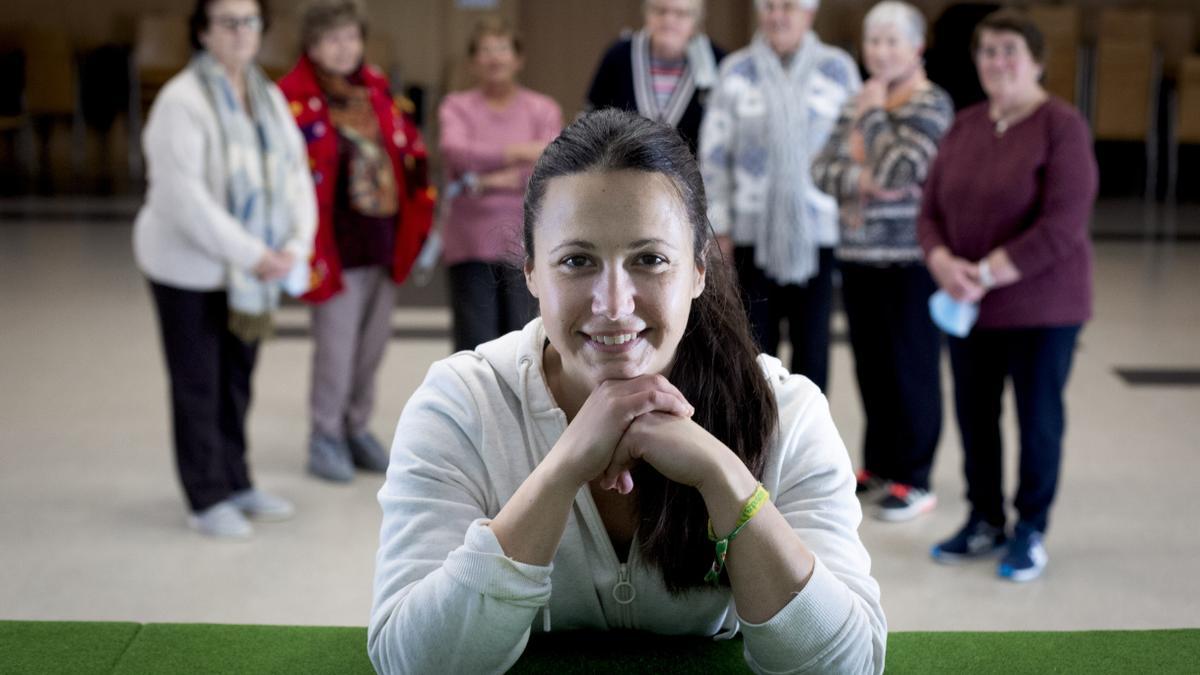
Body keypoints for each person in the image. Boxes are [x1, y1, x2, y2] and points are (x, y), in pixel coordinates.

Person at [369, 109, 885, 674]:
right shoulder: (461, 406)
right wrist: (560, 471)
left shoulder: (787, 411)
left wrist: (724, 476)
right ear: (532, 273)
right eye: (576, 261)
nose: (613, 304)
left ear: (698, 270)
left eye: (650, 260)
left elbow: (847, 665)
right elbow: (413, 662)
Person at [918, 10, 1098, 582]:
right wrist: (943, 261)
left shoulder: (1061, 126)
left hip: (1043, 308)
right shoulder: (966, 124)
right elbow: (930, 211)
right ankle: (984, 520)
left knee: (1037, 419)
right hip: (971, 307)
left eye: (1009, 50)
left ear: (1037, 60)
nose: (997, 61)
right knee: (975, 416)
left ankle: (1031, 529)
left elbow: (1063, 224)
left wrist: (988, 273)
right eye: (988, 51)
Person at [133, 0, 316, 537]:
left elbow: (296, 175)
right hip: (188, 269)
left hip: (252, 272)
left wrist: (295, 246)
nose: (241, 32)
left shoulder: (267, 94)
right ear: (203, 32)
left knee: (237, 381)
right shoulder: (180, 101)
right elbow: (183, 200)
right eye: (227, 22)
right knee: (198, 382)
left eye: (250, 21)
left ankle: (236, 480)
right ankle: (205, 496)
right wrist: (256, 256)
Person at [278, 0, 434, 483]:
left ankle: (355, 426)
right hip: (335, 246)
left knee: (371, 346)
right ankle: (324, 434)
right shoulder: (292, 98)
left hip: (382, 240)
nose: (343, 48)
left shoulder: (377, 90)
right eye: (331, 39)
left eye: (350, 37)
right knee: (336, 349)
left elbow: (409, 153)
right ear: (310, 45)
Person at [811, 1, 954, 522]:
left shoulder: (930, 104)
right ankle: (880, 464)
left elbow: (905, 167)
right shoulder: (857, 100)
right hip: (859, 254)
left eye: (893, 41)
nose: (881, 51)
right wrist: (866, 177)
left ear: (917, 48)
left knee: (910, 364)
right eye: (874, 41)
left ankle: (915, 477)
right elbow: (822, 169)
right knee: (871, 366)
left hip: (911, 258)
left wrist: (871, 122)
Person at [699, 0, 860, 392]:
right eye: (769, 6)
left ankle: (807, 445)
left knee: (813, 351)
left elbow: (856, 146)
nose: (777, 15)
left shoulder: (837, 68)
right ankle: (759, 442)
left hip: (817, 232)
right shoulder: (736, 70)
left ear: (809, 13)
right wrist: (719, 226)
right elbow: (714, 156)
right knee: (755, 350)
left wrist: (853, 202)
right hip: (751, 234)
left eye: (788, 6)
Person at [438, 17, 562, 353]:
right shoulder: (456, 107)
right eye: (486, 51)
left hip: (527, 242)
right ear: (473, 61)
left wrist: (488, 180)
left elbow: (551, 166)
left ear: (518, 59)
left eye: (503, 49)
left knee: (527, 344)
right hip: (471, 241)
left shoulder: (542, 108)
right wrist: (520, 151)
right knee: (475, 345)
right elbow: (456, 154)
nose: (495, 58)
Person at [584, 0, 724, 155]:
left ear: (697, 20)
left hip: (694, 175)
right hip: (621, 170)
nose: (668, 21)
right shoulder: (619, 56)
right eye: (660, 11)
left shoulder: (718, 62)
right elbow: (592, 121)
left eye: (680, 14)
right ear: (646, 13)